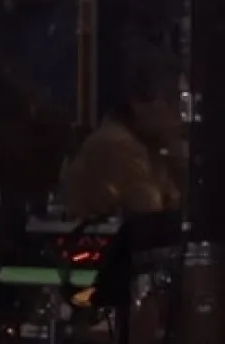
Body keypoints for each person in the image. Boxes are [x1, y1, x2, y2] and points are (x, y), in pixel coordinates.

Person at [61, 40, 187, 219]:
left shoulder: (151, 147)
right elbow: (153, 219)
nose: (179, 113)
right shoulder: (115, 145)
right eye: (172, 99)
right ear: (139, 103)